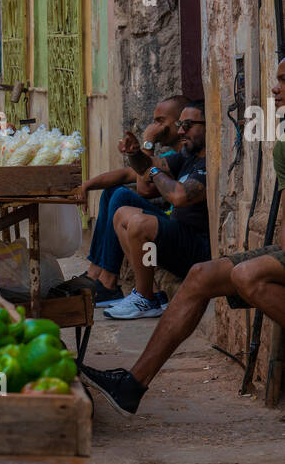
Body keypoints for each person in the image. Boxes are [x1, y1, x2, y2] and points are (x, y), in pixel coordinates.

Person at [82, 68, 285, 415]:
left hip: (195, 241)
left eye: (283, 81)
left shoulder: (209, 160)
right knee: (196, 276)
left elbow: (176, 196)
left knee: (243, 274)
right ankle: (132, 385)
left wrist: (151, 160)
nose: (274, 88)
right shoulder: (187, 155)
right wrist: (139, 150)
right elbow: (145, 180)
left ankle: (144, 296)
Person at [55, 95, 187, 307]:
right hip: (168, 230)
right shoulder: (173, 156)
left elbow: (143, 188)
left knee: (122, 196)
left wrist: (148, 142)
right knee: (111, 191)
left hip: (179, 239)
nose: (154, 126)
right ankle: (95, 272)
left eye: (160, 121)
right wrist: (87, 184)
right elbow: (128, 174)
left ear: (181, 122)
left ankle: (108, 282)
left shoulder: (184, 157)